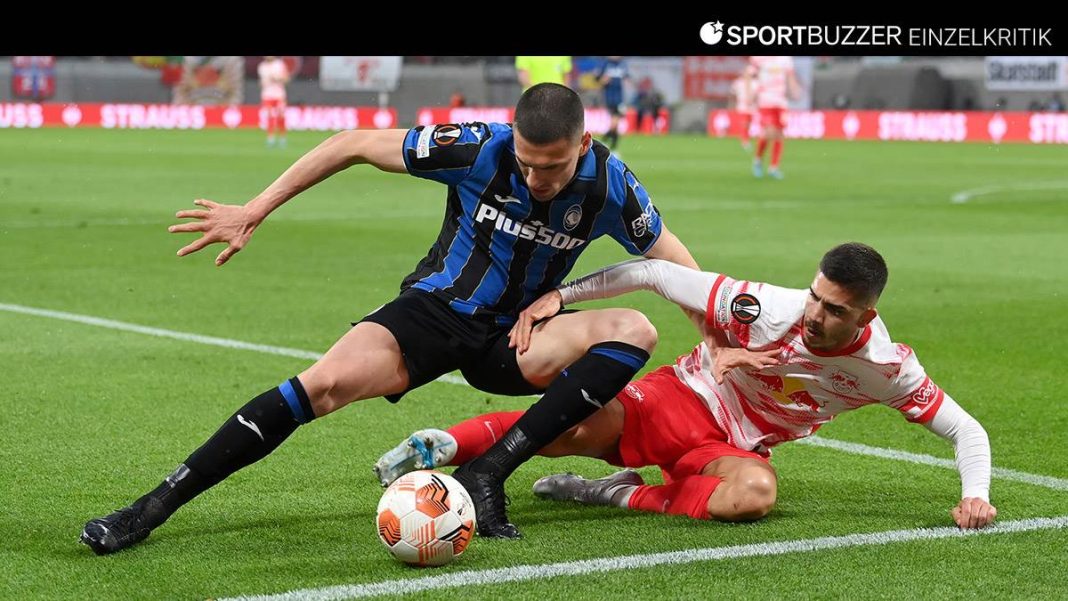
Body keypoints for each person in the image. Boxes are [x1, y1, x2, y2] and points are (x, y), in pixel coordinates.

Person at [79, 83, 702, 554]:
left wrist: (717, 335)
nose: (538, 178)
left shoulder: (611, 185)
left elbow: (669, 257)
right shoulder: (476, 147)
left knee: (635, 330)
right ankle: (152, 507)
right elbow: (352, 144)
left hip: (516, 335)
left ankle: (489, 471)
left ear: (585, 146)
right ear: (511, 136)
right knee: (318, 387)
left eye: (554, 166)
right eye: (528, 161)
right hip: (433, 312)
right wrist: (256, 209)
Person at [376, 243, 997, 530]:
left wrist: (976, 496)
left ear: (865, 316)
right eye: (815, 296)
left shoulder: (886, 368)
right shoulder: (765, 306)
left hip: (733, 449)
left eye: (835, 310)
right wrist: (560, 297)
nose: (815, 314)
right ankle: (441, 448)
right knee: (571, 429)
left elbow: (965, 429)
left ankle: (612, 496)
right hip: (688, 395)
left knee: (753, 496)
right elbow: (652, 271)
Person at [748, 56, 801, 180]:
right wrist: (751, 93)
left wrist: (794, 89)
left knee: (779, 134)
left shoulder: (786, 59)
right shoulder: (758, 58)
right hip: (765, 99)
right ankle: (758, 160)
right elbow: (750, 75)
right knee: (769, 132)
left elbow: (790, 76)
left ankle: (774, 167)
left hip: (780, 101)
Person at [597, 56, 629, 153]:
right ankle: (606, 142)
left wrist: (626, 82)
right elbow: (598, 78)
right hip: (610, 97)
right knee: (615, 121)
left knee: (616, 122)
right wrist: (603, 80)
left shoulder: (622, 64)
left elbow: (626, 77)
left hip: (620, 97)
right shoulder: (606, 63)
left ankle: (609, 144)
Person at [258, 56, 290, 148]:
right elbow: (261, 82)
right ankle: (270, 138)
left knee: (281, 117)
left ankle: (282, 138)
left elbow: (287, 79)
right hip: (267, 95)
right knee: (270, 116)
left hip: (279, 95)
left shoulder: (279, 64)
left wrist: (277, 79)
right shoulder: (261, 66)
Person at [728, 68, 757, 151]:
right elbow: (732, 94)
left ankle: (745, 138)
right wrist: (731, 104)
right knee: (744, 123)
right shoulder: (738, 82)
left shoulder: (755, 83)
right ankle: (744, 141)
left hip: (752, 106)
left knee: (748, 124)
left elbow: (757, 95)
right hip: (742, 105)